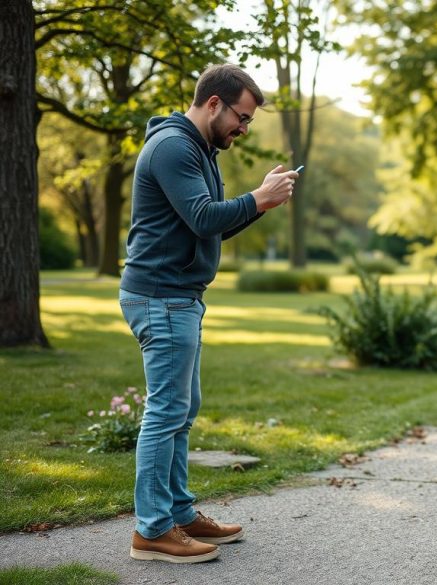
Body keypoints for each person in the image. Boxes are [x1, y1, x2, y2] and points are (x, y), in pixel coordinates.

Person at [119, 63, 298, 563]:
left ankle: (178, 512)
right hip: (161, 295)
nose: (244, 128)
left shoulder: (200, 149)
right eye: (241, 117)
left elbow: (206, 228)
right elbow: (202, 216)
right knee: (166, 413)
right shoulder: (175, 146)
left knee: (181, 411)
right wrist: (256, 199)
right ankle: (152, 530)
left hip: (179, 296)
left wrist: (257, 204)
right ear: (214, 103)